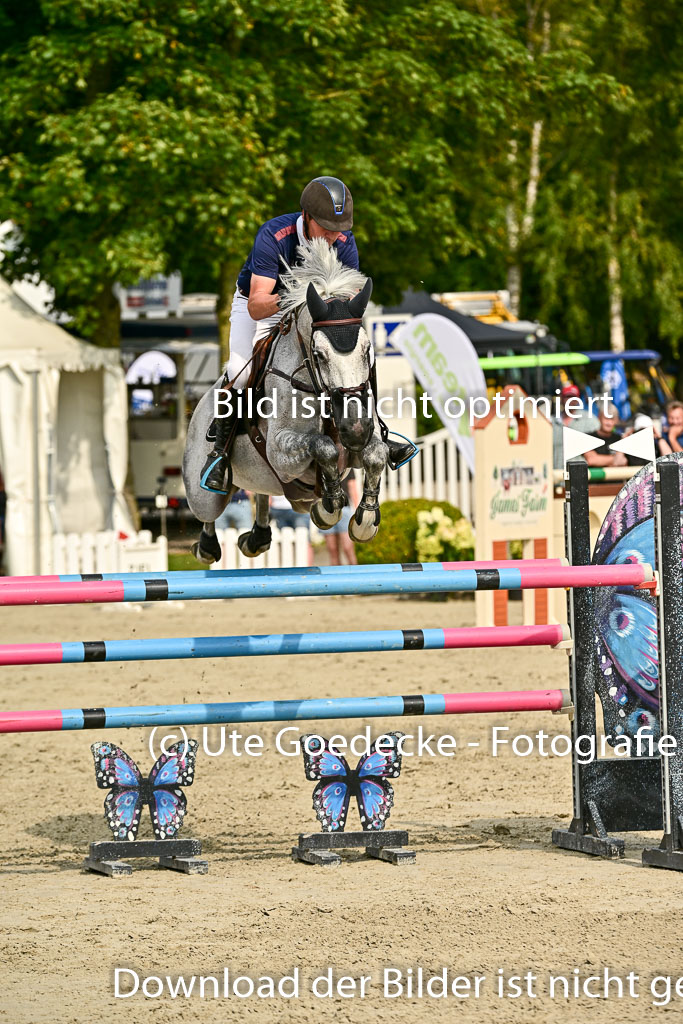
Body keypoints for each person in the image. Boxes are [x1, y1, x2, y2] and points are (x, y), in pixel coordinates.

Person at [201, 175, 413, 492]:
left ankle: (378, 431)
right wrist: (299, 294)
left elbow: (347, 302)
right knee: (239, 371)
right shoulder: (275, 234)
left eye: (338, 227)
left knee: (354, 357)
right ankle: (219, 454)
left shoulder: (344, 240)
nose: (333, 235)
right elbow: (258, 305)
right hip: (262, 308)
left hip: (314, 314)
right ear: (306, 217)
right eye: (326, 226)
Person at [324, 472, 360, 566]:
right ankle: (335, 578)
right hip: (326, 510)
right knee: (332, 549)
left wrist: (357, 512)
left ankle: (356, 576)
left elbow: (352, 487)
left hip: (344, 508)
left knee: (348, 548)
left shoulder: (347, 463)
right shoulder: (319, 462)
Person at [584, 401, 627, 468]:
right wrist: (615, 459)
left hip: (616, 478)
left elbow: (624, 462)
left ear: (616, 420)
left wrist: (602, 460)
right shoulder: (589, 438)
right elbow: (591, 460)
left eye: (612, 419)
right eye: (606, 418)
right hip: (596, 478)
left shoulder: (619, 439)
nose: (609, 423)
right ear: (599, 417)